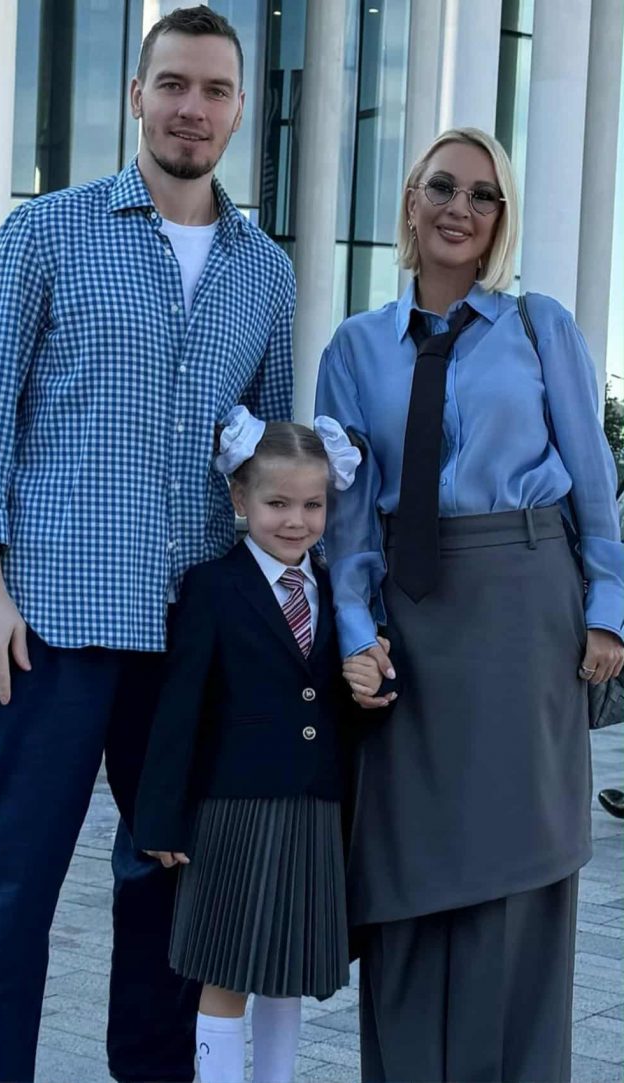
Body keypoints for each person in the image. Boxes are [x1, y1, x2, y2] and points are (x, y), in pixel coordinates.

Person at [0, 8, 295, 1082]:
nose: (193, 107)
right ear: (136, 96)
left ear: (240, 111)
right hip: (43, 627)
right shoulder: (46, 233)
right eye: (173, 84)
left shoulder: (265, 274)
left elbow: (268, 462)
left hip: (188, 640)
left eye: (215, 90)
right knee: (4, 893)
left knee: (168, 896)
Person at [315, 126, 624, 1082]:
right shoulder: (354, 347)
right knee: (406, 865)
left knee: (521, 870)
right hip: (409, 633)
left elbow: (593, 480)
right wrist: (357, 635)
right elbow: (348, 521)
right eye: (443, 187)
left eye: (483, 196)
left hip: (528, 615)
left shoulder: (542, 329)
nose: (461, 208)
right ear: (411, 199)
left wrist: (609, 609)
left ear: (501, 219)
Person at [133, 408, 373, 1083]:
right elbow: (178, 710)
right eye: (277, 503)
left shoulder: (339, 592)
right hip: (232, 809)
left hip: (314, 806)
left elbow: (350, 688)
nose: (296, 520)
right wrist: (160, 817)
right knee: (227, 967)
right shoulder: (212, 587)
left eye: (312, 505)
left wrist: (376, 680)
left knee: (287, 969)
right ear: (240, 498)